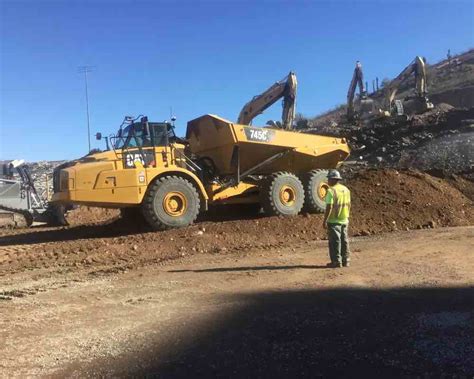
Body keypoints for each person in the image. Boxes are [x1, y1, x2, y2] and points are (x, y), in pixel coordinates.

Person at [322, 169, 351, 268]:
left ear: (333, 180)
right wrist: (347, 216)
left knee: (335, 242)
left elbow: (329, 207)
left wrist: (325, 220)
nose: (328, 181)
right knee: (344, 241)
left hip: (334, 220)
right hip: (344, 219)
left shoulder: (331, 191)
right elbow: (349, 204)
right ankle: (346, 260)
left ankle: (336, 262)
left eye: (329, 179)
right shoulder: (346, 190)